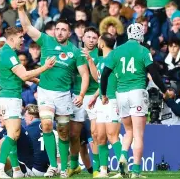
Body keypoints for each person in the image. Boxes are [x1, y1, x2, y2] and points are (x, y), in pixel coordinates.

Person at [17, 0, 90, 177]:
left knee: (64, 133)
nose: (59, 32)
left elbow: (85, 75)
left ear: (69, 32)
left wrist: (81, 94)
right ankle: (53, 166)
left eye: (63, 29)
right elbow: (26, 26)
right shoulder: (46, 41)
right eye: (57, 28)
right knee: (47, 125)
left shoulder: (75, 52)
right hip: (45, 93)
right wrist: (20, 8)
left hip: (64, 95)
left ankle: (64, 167)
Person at [100, 23, 168, 178]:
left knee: (128, 131)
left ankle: (123, 157)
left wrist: (103, 94)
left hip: (121, 94)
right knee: (138, 134)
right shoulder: (143, 51)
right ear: (141, 35)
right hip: (137, 92)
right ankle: (136, 172)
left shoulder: (116, 51)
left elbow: (104, 75)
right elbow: (155, 74)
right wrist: (165, 91)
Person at [0, 26, 56, 178]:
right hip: (10, 97)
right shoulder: (8, 53)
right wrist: (45, 67)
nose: (23, 40)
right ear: (12, 38)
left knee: (15, 133)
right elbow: (24, 76)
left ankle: (17, 170)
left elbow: (19, 75)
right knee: (13, 134)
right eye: (20, 37)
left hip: (8, 96)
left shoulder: (6, 52)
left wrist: (39, 81)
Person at [87, 32, 123, 178]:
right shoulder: (102, 60)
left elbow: (119, 79)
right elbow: (100, 81)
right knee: (100, 136)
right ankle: (103, 170)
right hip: (102, 101)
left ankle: (123, 170)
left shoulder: (115, 58)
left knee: (112, 135)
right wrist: (96, 96)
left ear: (101, 43)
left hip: (113, 100)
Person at [69, 27, 100, 177]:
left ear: (98, 39)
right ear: (83, 38)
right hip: (77, 96)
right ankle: (74, 166)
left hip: (95, 96)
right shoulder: (76, 53)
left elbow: (99, 79)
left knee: (96, 134)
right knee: (74, 134)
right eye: (88, 37)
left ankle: (97, 169)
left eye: (94, 38)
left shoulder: (100, 54)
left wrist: (95, 96)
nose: (91, 40)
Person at [23, 104, 51, 176]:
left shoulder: (27, 130)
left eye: (25, 116)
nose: (24, 118)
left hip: (36, 169)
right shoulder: (49, 127)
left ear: (31, 117)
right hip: (51, 169)